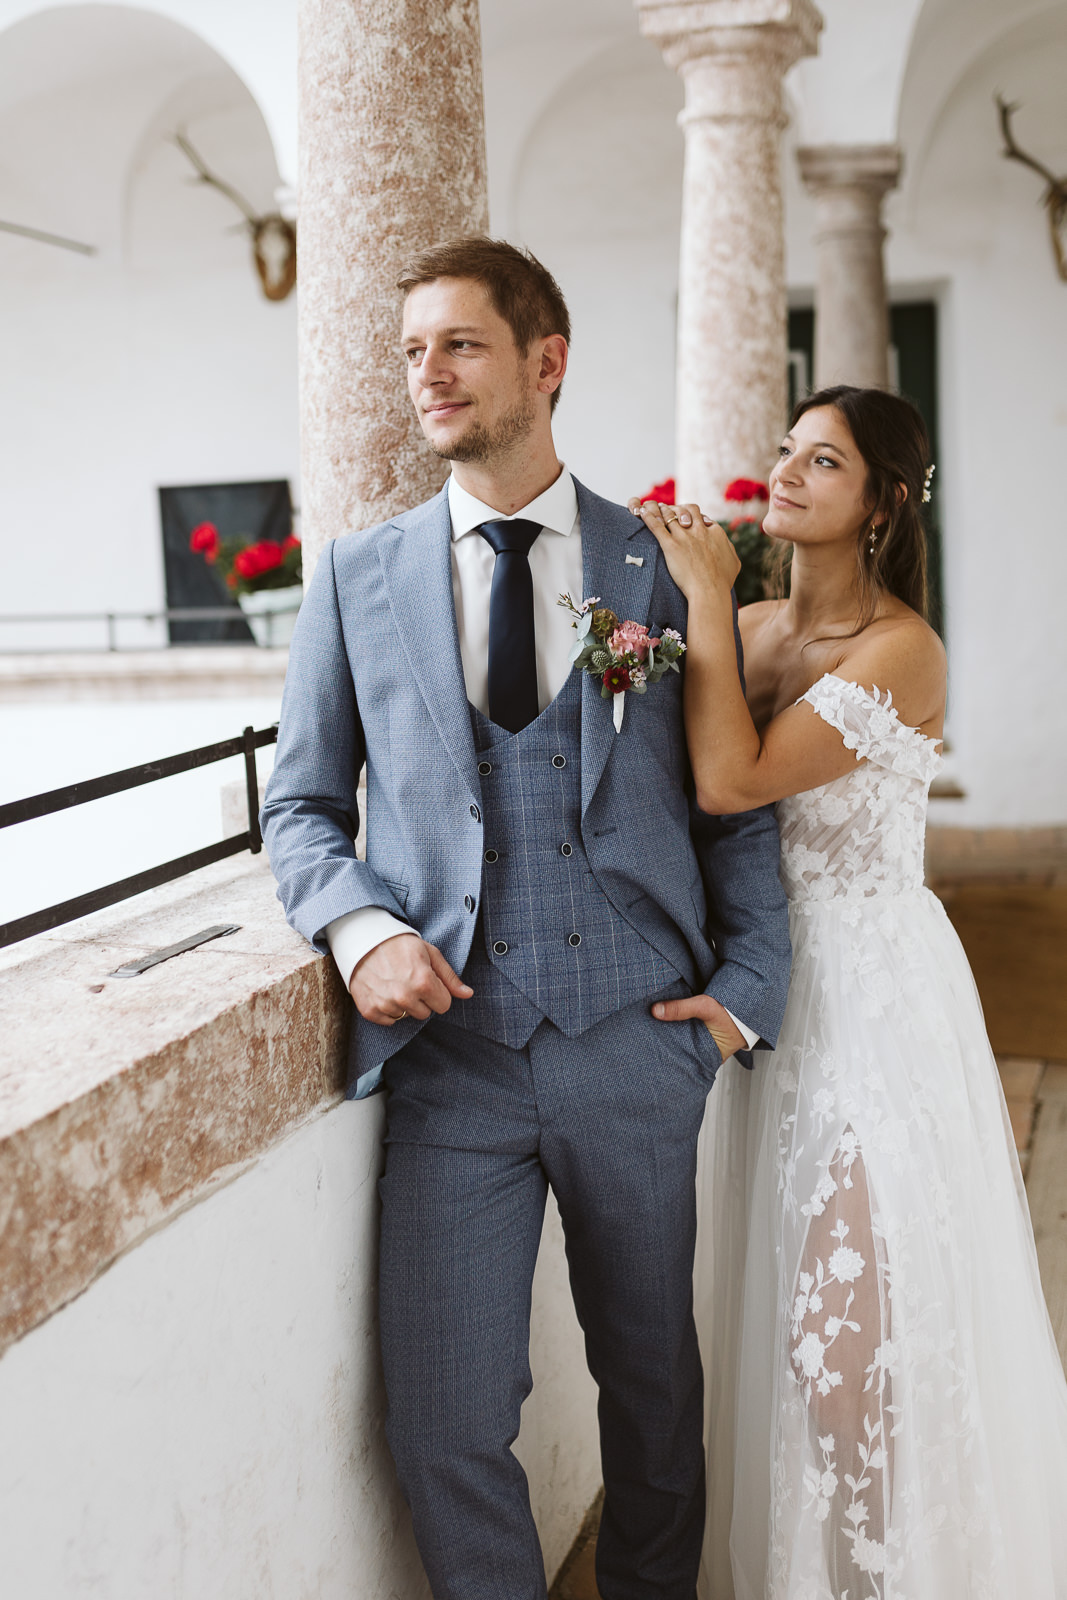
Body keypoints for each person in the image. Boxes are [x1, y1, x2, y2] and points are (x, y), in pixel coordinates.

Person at [261, 236, 792, 1599]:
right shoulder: (353, 578)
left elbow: (732, 800)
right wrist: (360, 929)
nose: (423, 376)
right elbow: (304, 808)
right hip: (454, 1066)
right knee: (443, 1420)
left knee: (653, 1401)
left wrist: (743, 988)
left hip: (635, 1038)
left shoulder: (667, 565)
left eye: (457, 345)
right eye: (408, 353)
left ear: (543, 363)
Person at [632, 385, 1067, 1600]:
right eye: (783, 449)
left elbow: (732, 781)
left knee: (857, 1337)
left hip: (872, 1001)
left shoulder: (900, 648)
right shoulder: (753, 625)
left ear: (878, 501)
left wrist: (704, 600)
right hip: (758, 995)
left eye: (821, 461)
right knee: (778, 1321)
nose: (785, 470)